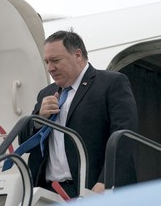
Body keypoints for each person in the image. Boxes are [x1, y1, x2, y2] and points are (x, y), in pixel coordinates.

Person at [18, 30, 138, 198]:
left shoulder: (112, 83)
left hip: (93, 188)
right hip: (50, 192)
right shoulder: (46, 93)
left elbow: (124, 136)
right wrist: (39, 118)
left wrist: (106, 181)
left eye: (56, 60)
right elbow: (23, 141)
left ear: (78, 55)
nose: (50, 68)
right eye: (47, 62)